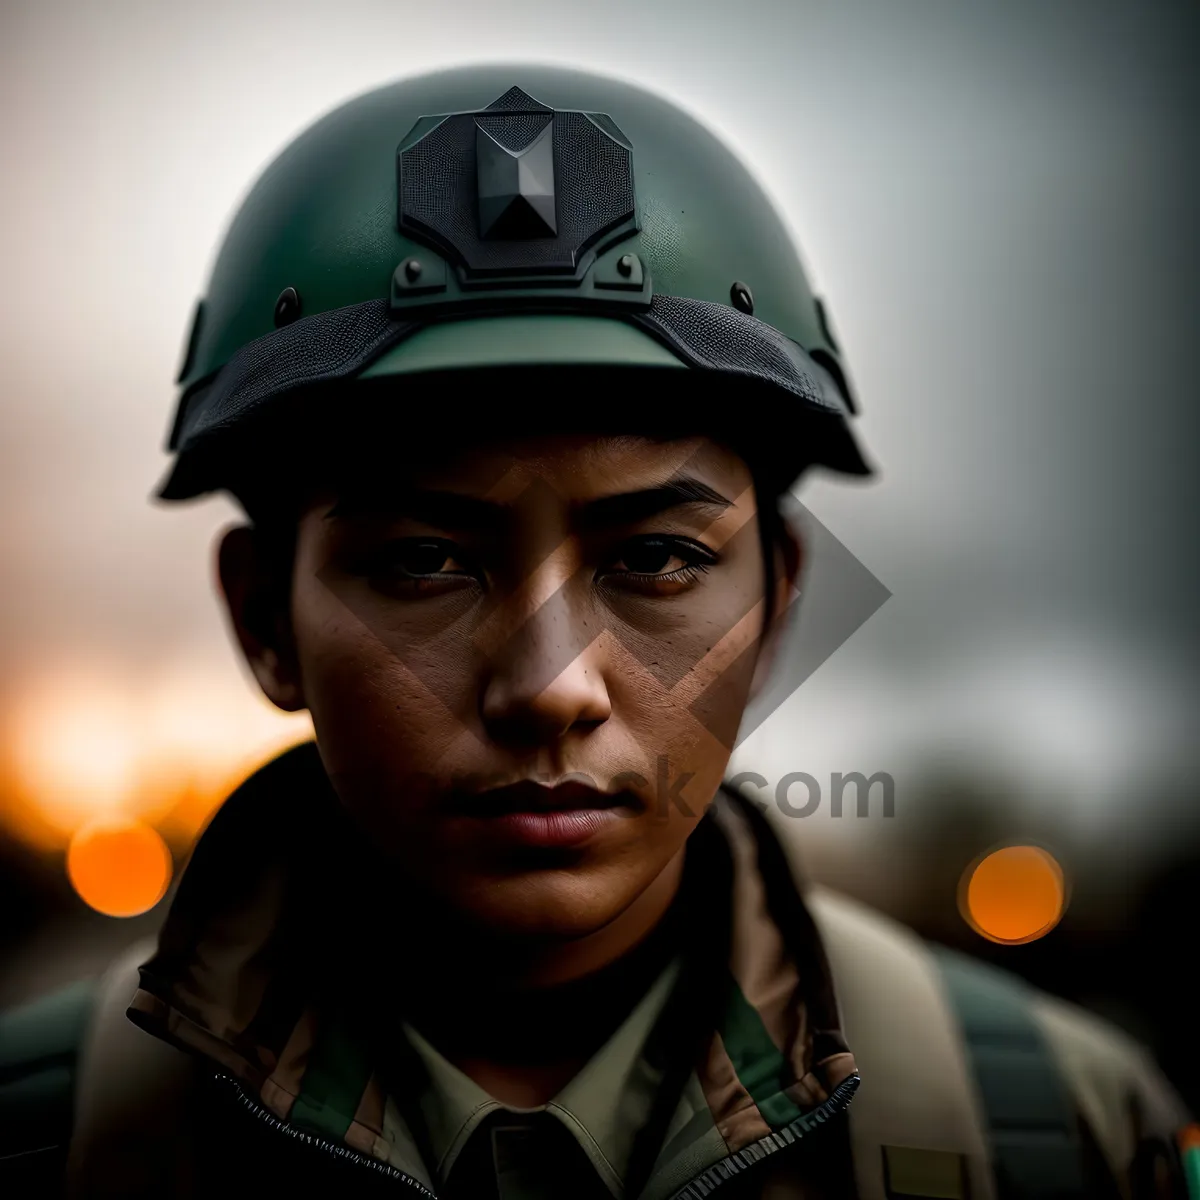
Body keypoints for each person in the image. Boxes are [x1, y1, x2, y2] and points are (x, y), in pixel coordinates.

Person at [1, 64, 1195, 1200]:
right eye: (425, 560)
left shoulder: (1068, 1135)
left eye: (656, 559)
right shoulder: (42, 1139)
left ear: (778, 600)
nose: (553, 687)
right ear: (266, 620)